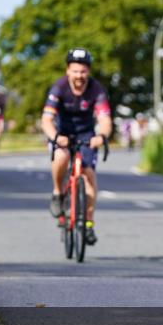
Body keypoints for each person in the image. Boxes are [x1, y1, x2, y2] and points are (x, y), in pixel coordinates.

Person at [41, 48, 113, 246]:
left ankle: (88, 222)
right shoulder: (59, 88)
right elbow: (47, 119)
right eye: (75, 71)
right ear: (68, 71)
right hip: (62, 134)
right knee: (61, 157)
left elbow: (105, 119)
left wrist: (102, 135)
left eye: (83, 71)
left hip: (86, 135)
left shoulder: (96, 90)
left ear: (88, 72)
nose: (79, 75)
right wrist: (55, 136)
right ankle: (57, 192)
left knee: (89, 174)